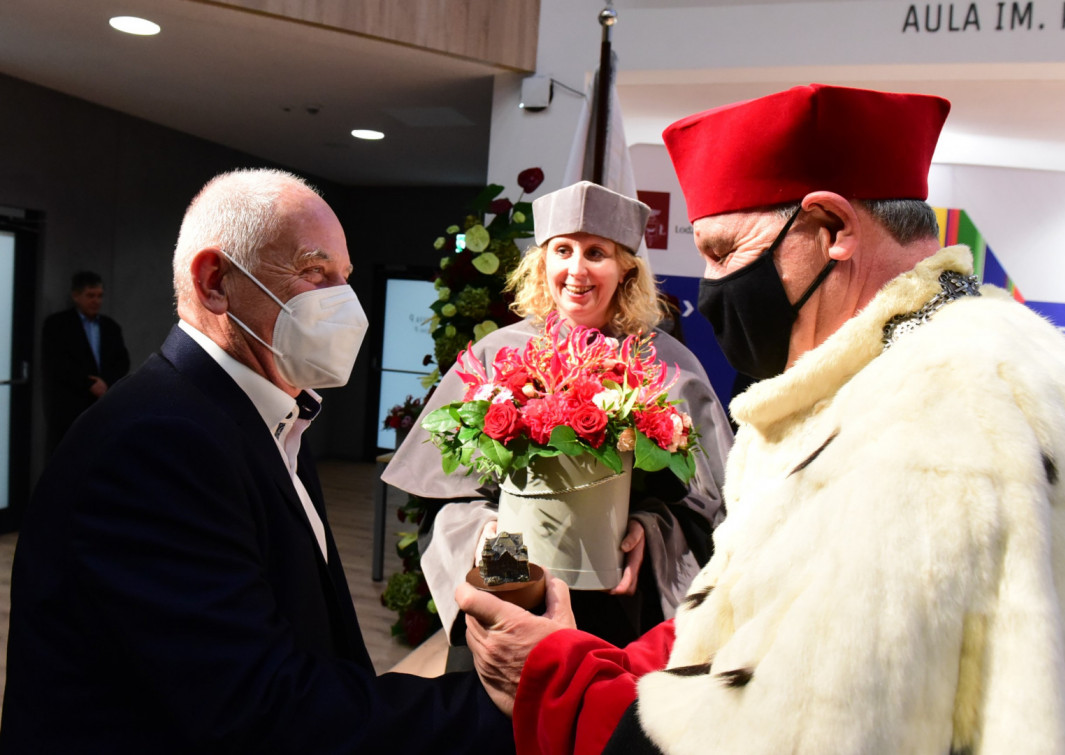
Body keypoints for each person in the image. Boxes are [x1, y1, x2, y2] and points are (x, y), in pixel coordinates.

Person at [456, 84, 1065, 754]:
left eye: (724, 252)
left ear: (834, 229)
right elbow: (754, 619)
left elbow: (798, 727)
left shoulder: (937, 422)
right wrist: (592, 659)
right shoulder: (966, 355)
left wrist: (557, 679)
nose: (713, 284)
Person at [1, 169, 511, 753]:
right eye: (314, 272)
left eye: (343, 278)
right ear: (215, 282)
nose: (343, 302)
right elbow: (255, 708)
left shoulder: (271, 412)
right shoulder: (155, 443)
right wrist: (500, 713)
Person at [383, 181, 733, 655]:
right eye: (562, 250)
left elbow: (710, 505)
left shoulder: (666, 364)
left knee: (598, 716)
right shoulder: (497, 353)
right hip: (511, 580)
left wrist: (649, 530)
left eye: (596, 253)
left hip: (615, 600)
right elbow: (442, 492)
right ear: (541, 261)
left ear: (626, 268)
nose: (576, 269)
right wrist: (485, 532)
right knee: (501, 712)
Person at [41, 270, 130, 453]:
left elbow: (122, 361)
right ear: (76, 296)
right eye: (90, 295)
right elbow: (57, 362)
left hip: (103, 401)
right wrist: (88, 383)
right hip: (70, 404)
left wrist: (106, 382)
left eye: (99, 296)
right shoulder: (57, 324)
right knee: (67, 456)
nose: (96, 301)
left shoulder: (110, 326)